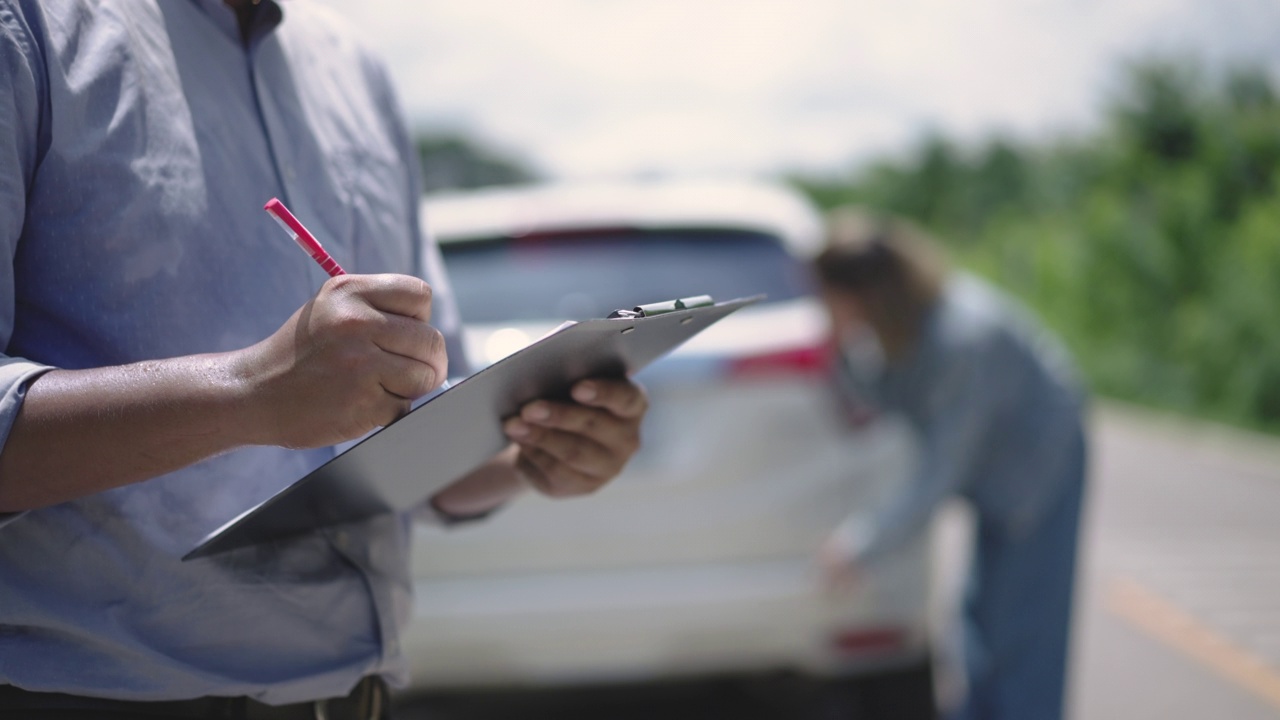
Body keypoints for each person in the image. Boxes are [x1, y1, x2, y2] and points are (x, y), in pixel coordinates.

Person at [0, 1, 647, 718]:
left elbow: (413, 423)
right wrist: (248, 392)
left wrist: (529, 452)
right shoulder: (27, 28)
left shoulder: (353, 67)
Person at [813, 208, 1087, 720]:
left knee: (1025, 630)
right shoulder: (911, 326)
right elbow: (886, 395)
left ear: (863, 293)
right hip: (994, 474)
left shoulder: (963, 337)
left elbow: (941, 471)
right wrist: (840, 347)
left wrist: (861, 543)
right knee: (980, 619)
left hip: (1041, 461)